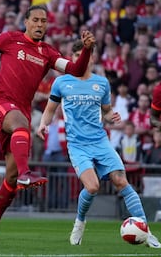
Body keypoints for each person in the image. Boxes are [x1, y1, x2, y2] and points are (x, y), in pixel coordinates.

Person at [0, 4, 95, 246]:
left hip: (21, 111)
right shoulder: (9, 39)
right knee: (21, 125)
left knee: (11, 176)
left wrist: (86, 50)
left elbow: (76, 69)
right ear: (25, 22)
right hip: (0, 101)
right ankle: (27, 173)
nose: (39, 24)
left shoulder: (48, 53)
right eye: (35, 20)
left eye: (43, 21)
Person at [36, 40, 160, 248]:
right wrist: (42, 124)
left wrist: (112, 116)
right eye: (75, 56)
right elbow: (50, 109)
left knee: (121, 181)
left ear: (92, 57)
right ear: (71, 59)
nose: (79, 59)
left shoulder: (101, 83)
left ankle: (146, 232)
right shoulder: (61, 82)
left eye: (83, 55)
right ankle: (80, 221)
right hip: (77, 144)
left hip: (100, 141)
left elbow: (106, 110)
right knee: (92, 186)